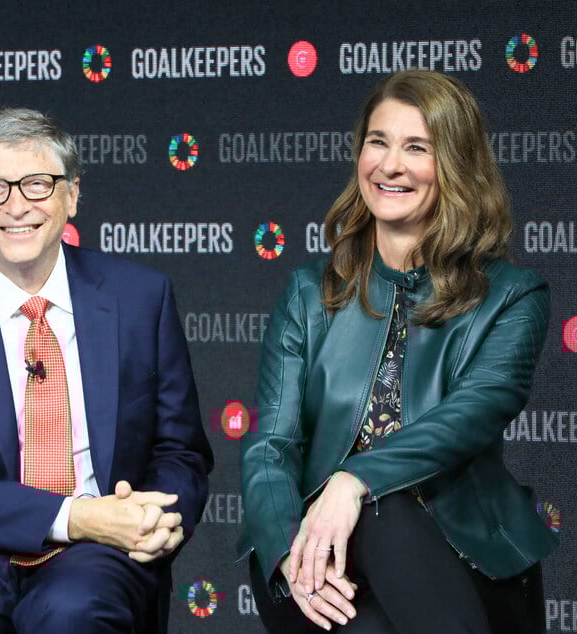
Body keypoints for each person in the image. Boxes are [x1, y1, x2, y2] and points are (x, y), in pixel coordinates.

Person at [0, 108, 213, 633]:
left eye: (36, 184)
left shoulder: (140, 298)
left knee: (73, 615)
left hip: (96, 552)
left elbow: (180, 452)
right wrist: (73, 516)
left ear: (72, 194)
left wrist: (153, 519)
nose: (16, 206)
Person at [239, 70, 558, 634]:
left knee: (384, 515)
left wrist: (353, 481)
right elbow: (271, 445)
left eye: (417, 148)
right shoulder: (309, 292)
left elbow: (470, 416)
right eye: (378, 142)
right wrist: (290, 551)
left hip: (461, 556)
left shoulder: (511, 296)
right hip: (320, 557)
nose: (390, 165)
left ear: (456, 165)